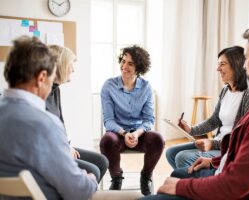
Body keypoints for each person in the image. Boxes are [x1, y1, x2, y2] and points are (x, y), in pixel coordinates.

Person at [140, 24, 249, 200]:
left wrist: (180, 187)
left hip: (231, 192)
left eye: (246, 58)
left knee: (167, 184)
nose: (245, 66)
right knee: (176, 174)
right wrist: (214, 161)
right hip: (225, 173)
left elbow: (234, 186)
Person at [0, 36, 97, 199]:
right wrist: (91, 180)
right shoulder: (44, 124)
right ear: (41, 78)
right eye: (52, 76)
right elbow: (79, 191)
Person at [166, 46, 249, 170]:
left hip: (231, 149)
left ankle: (207, 183)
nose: (218, 69)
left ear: (237, 65)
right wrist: (191, 130)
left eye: (222, 64)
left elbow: (243, 137)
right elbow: (214, 120)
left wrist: (212, 144)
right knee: (171, 153)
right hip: (218, 143)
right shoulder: (225, 91)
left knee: (182, 158)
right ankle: (196, 181)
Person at [100, 45, 164, 196]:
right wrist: (124, 133)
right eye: (123, 61)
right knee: (106, 141)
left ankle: (146, 177)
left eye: (130, 63)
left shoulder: (146, 87)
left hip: (139, 135)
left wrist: (137, 133)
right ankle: (116, 178)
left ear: (139, 67)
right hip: (118, 135)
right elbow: (108, 120)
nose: (124, 66)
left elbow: (149, 120)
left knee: (158, 139)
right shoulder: (109, 86)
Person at [46, 45, 108, 183]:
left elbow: (60, 125)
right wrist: (64, 148)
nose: (73, 69)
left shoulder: (56, 90)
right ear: (60, 65)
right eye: (70, 65)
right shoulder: (41, 93)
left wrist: (67, 145)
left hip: (60, 146)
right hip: (51, 152)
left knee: (102, 161)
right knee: (93, 171)